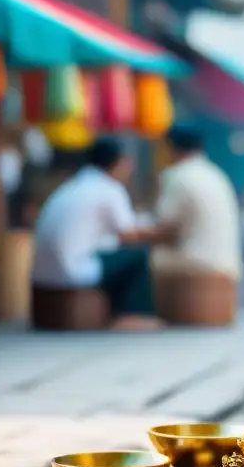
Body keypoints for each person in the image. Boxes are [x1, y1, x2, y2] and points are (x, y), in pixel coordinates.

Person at [31, 136, 163, 331]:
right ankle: (133, 315)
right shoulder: (109, 188)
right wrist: (162, 232)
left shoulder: (72, 185)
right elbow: (129, 235)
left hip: (44, 274)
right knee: (137, 254)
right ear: (118, 163)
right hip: (73, 270)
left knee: (116, 257)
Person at [149, 124, 243, 285]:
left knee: (143, 258)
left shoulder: (176, 175)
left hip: (194, 264)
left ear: (170, 148)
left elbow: (165, 228)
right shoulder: (216, 174)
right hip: (230, 265)